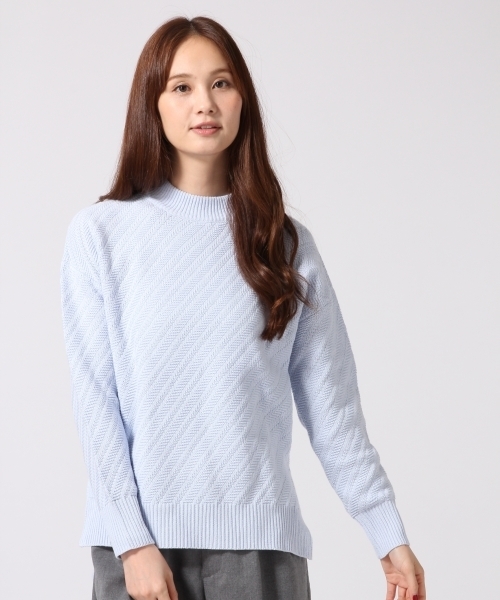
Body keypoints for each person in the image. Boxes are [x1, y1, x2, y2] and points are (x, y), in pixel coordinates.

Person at [60, 15, 426, 600]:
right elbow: (96, 403)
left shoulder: (286, 245)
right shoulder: (101, 235)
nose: (204, 102)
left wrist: (388, 535)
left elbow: (334, 409)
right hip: (141, 554)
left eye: (221, 83)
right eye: (181, 87)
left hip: (263, 553)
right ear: (153, 104)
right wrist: (131, 541)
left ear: (243, 99)